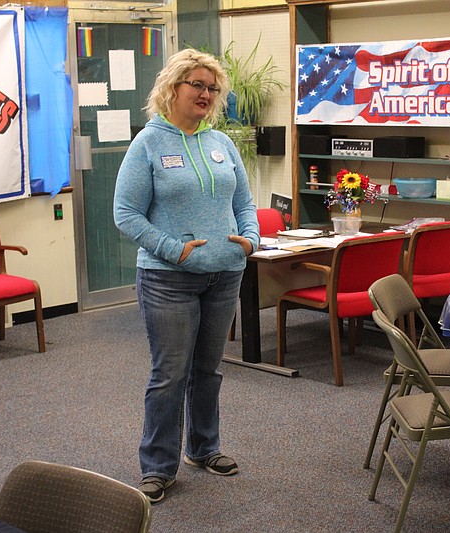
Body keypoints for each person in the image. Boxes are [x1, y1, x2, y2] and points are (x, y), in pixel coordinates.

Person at [113, 48, 259, 504]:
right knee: (170, 374)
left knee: (208, 370)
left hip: (224, 273)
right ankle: (157, 467)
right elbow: (126, 214)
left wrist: (250, 236)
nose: (206, 94)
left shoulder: (222, 143)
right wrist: (173, 249)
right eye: (197, 84)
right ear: (172, 87)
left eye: (212, 88)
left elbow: (244, 203)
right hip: (167, 279)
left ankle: (203, 448)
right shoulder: (149, 143)